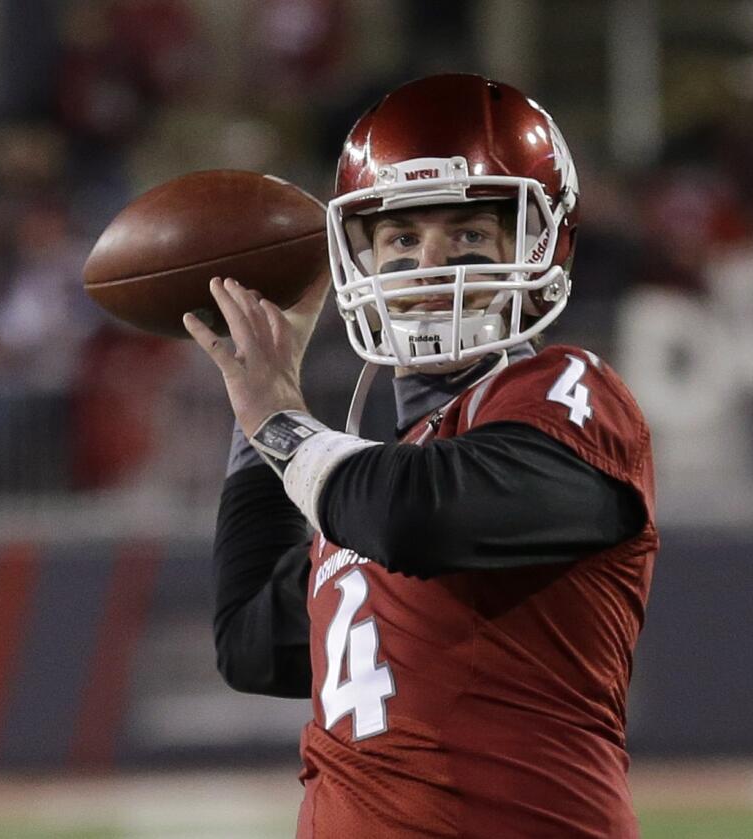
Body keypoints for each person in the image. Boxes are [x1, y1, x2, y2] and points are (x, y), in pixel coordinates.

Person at [184, 74, 658, 838]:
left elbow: (417, 514)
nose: (428, 265)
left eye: (468, 235)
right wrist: (256, 410)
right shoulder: (365, 479)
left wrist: (282, 424)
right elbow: (247, 645)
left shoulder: (568, 389)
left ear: (539, 244)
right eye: (402, 238)